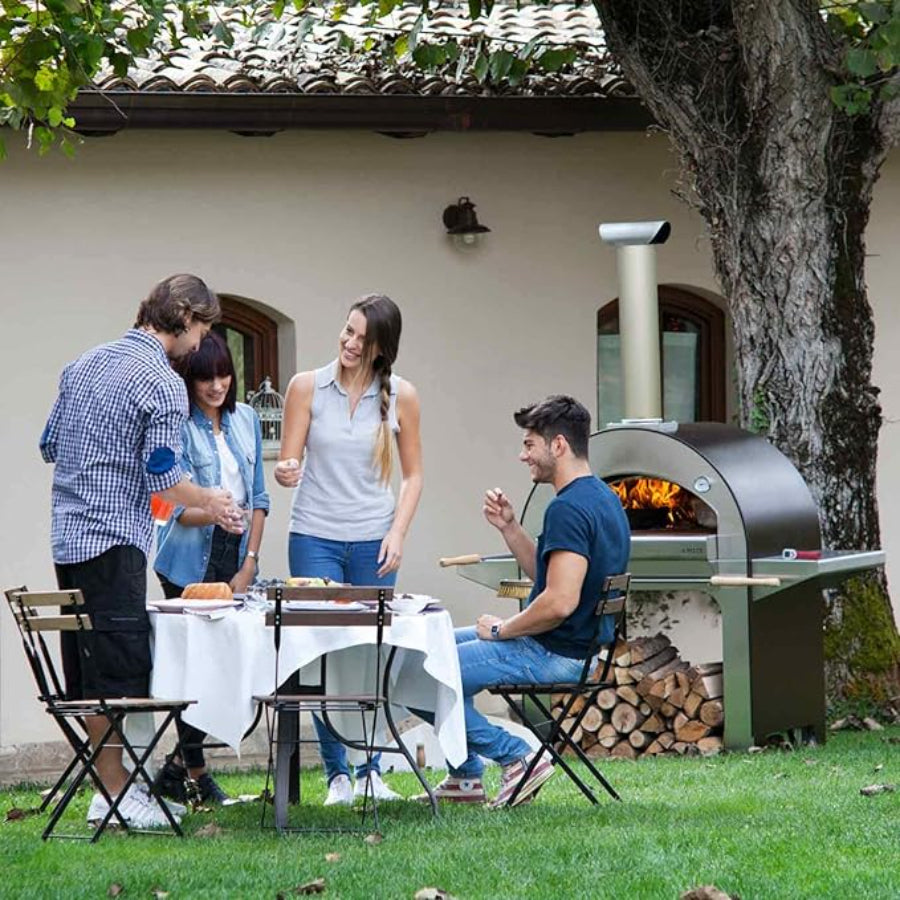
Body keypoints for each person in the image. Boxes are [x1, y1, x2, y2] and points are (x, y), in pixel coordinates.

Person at [40, 274, 240, 829]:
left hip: (68, 539)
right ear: (184, 316)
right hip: (114, 540)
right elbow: (165, 477)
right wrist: (211, 499)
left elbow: (49, 445)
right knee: (121, 675)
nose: (200, 342)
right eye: (201, 329)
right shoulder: (161, 381)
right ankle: (115, 795)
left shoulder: (81, 365)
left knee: (91, 673)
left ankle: (118, 789)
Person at [419, 394, 629, 808]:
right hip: (575, 647)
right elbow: (554, 580)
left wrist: (502, 630)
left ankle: (517, 756)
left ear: (559, 445)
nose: (522, 455)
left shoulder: (568, 509)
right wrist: (510, 528)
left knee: (419, 677)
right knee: (424, 650)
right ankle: (465, 777)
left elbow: (560, 602)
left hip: (553, 652)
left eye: (530, 444)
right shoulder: (604, 499)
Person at [274, 293, 423, 806]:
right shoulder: (305, 387)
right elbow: (289, 462)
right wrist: (285, 470)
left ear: (383, 348)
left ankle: (371, 769)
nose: (350, 342)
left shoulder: (402, 396)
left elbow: (414, 476)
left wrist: (397, 532)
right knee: (323, 655)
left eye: (363, 337)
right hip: (314, 537)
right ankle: (337, 775)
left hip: (373, 541)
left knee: (368, 654)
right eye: (348, 330)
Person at [151, 331, 270, 805]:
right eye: (206, 378)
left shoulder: (247, 420)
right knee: (199, 667)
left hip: (235, 551)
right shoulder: (178, 425)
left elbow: (259, 498)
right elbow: (176, 508)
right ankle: (195, 771)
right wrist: (215, 513)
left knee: (231, 659)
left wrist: (250, 563)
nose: (217, 386)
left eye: (224, 376)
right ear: (190, 380)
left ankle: (178, 768)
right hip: (186, 556)